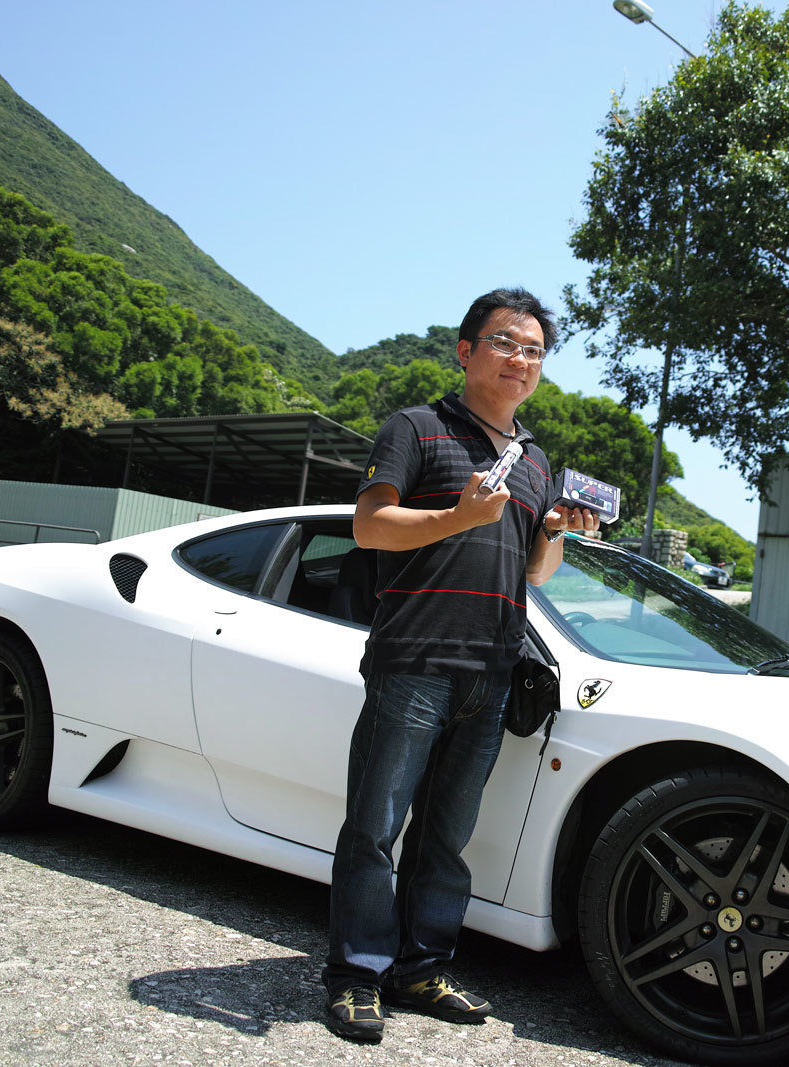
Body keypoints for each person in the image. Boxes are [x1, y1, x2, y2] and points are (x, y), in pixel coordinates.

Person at [322, 288, 601, 1044]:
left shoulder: (536, 460)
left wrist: (554, 529)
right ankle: (356, 975)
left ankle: (421, 967)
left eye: (534, 350)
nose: (521, 359)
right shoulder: (416, 428)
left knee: (446, 837)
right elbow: (369, 525)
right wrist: (457, 516)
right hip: (414, 659)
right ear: (466, 350)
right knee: (375, 828)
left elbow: (536, 572)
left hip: (493, 668)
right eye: (506, 342)